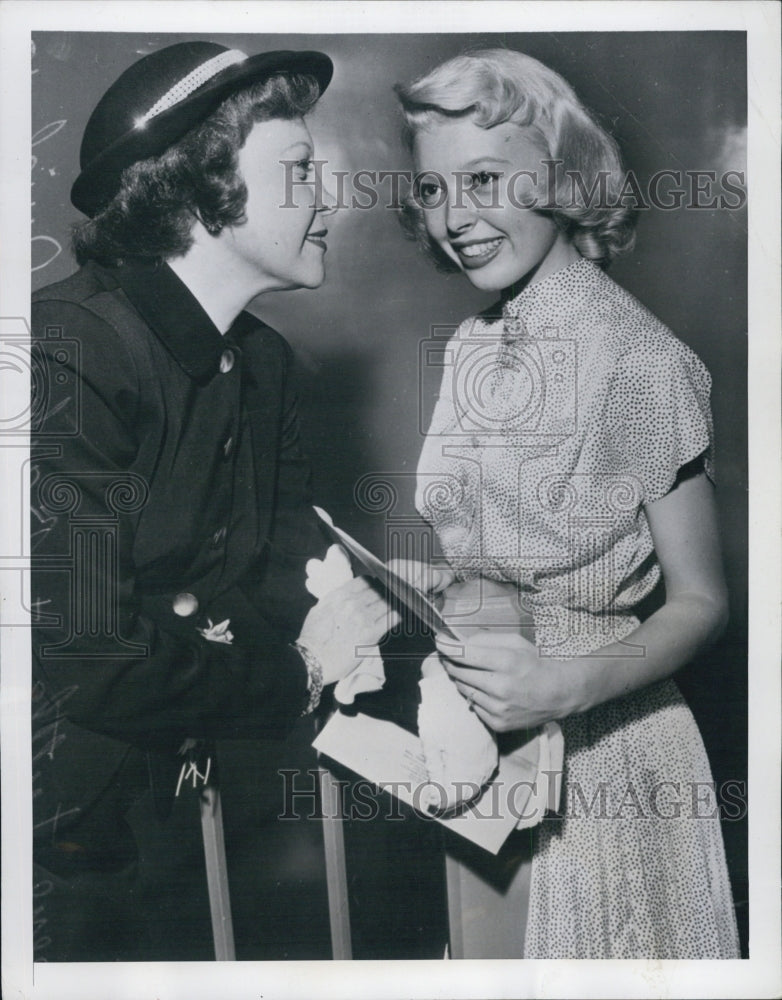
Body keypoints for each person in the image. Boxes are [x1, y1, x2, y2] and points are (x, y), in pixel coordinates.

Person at [30, 40, 396, 961]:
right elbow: (88, 657)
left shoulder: (264, 362)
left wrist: (379, 600)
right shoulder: (66, 357)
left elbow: (269, 572)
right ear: (199, 191)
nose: (329, 197)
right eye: (301, 170)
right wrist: (302, 671)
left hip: (182, 809)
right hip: (45, 847)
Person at [395, 48, 741, 959]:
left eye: (483, 180)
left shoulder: (639, 361)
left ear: (562, 176)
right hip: (494, 749)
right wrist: (409, 586)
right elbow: (506, 563)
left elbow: (704, 602)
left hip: (611, 761)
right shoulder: (474, 342)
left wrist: (567, 684)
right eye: (433, 191)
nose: (455, 218)